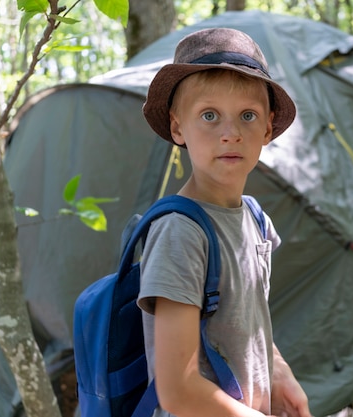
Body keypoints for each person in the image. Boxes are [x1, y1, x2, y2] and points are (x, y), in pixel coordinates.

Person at [138, 27, 313, 417]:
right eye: (209, 115)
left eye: (247, 116)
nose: (231, 134)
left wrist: (280, 373)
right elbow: (178, 390)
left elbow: (249, 323)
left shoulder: (255, 219)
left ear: (267, 128)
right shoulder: (180, 233)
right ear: (178, 127)